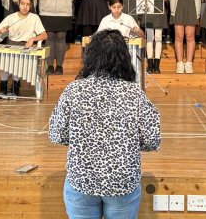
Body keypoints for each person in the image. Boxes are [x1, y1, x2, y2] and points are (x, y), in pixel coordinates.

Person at [49, 29, 160, 219]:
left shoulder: (73, 90)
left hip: (82, 180)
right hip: (122, 182)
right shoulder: (134, 93)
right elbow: (152, 140)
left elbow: (57, 135)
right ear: (124, 58)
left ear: (91, 57)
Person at [0, 0, 47, 96]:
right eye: (22, 4)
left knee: (18, 61)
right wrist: (1, 31)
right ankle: (3, 86)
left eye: (27, 4)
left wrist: (33, 39)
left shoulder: (34, 18)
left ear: (31, 5)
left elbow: (44, 35)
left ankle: (15, 86)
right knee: (4, 59)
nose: (25, 7)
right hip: (11, 45)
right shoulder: (11, 17)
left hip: (25, 46)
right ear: (18, 3)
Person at [141, 0, 169, 74]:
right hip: (149, 7)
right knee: (149, 37)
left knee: (158, 37)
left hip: (159, 7)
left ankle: (156, 65)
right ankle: (150, 63)